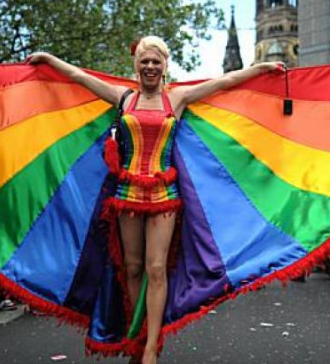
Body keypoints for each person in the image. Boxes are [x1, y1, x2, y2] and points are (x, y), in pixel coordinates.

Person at [27, 36, 283, 364]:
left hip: (165, 196)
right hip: (126, 195)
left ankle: (150, 349)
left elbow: (226, 80)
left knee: (156, 268)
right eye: (144, 62)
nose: (150, 67)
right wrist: (48, 59)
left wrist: (262, 68)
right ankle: (138, 335)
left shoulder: (176, 99)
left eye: (155, 62)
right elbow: (79, 77)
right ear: (137, 66)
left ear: (164, 66)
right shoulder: (124, 98)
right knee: (132, 269)